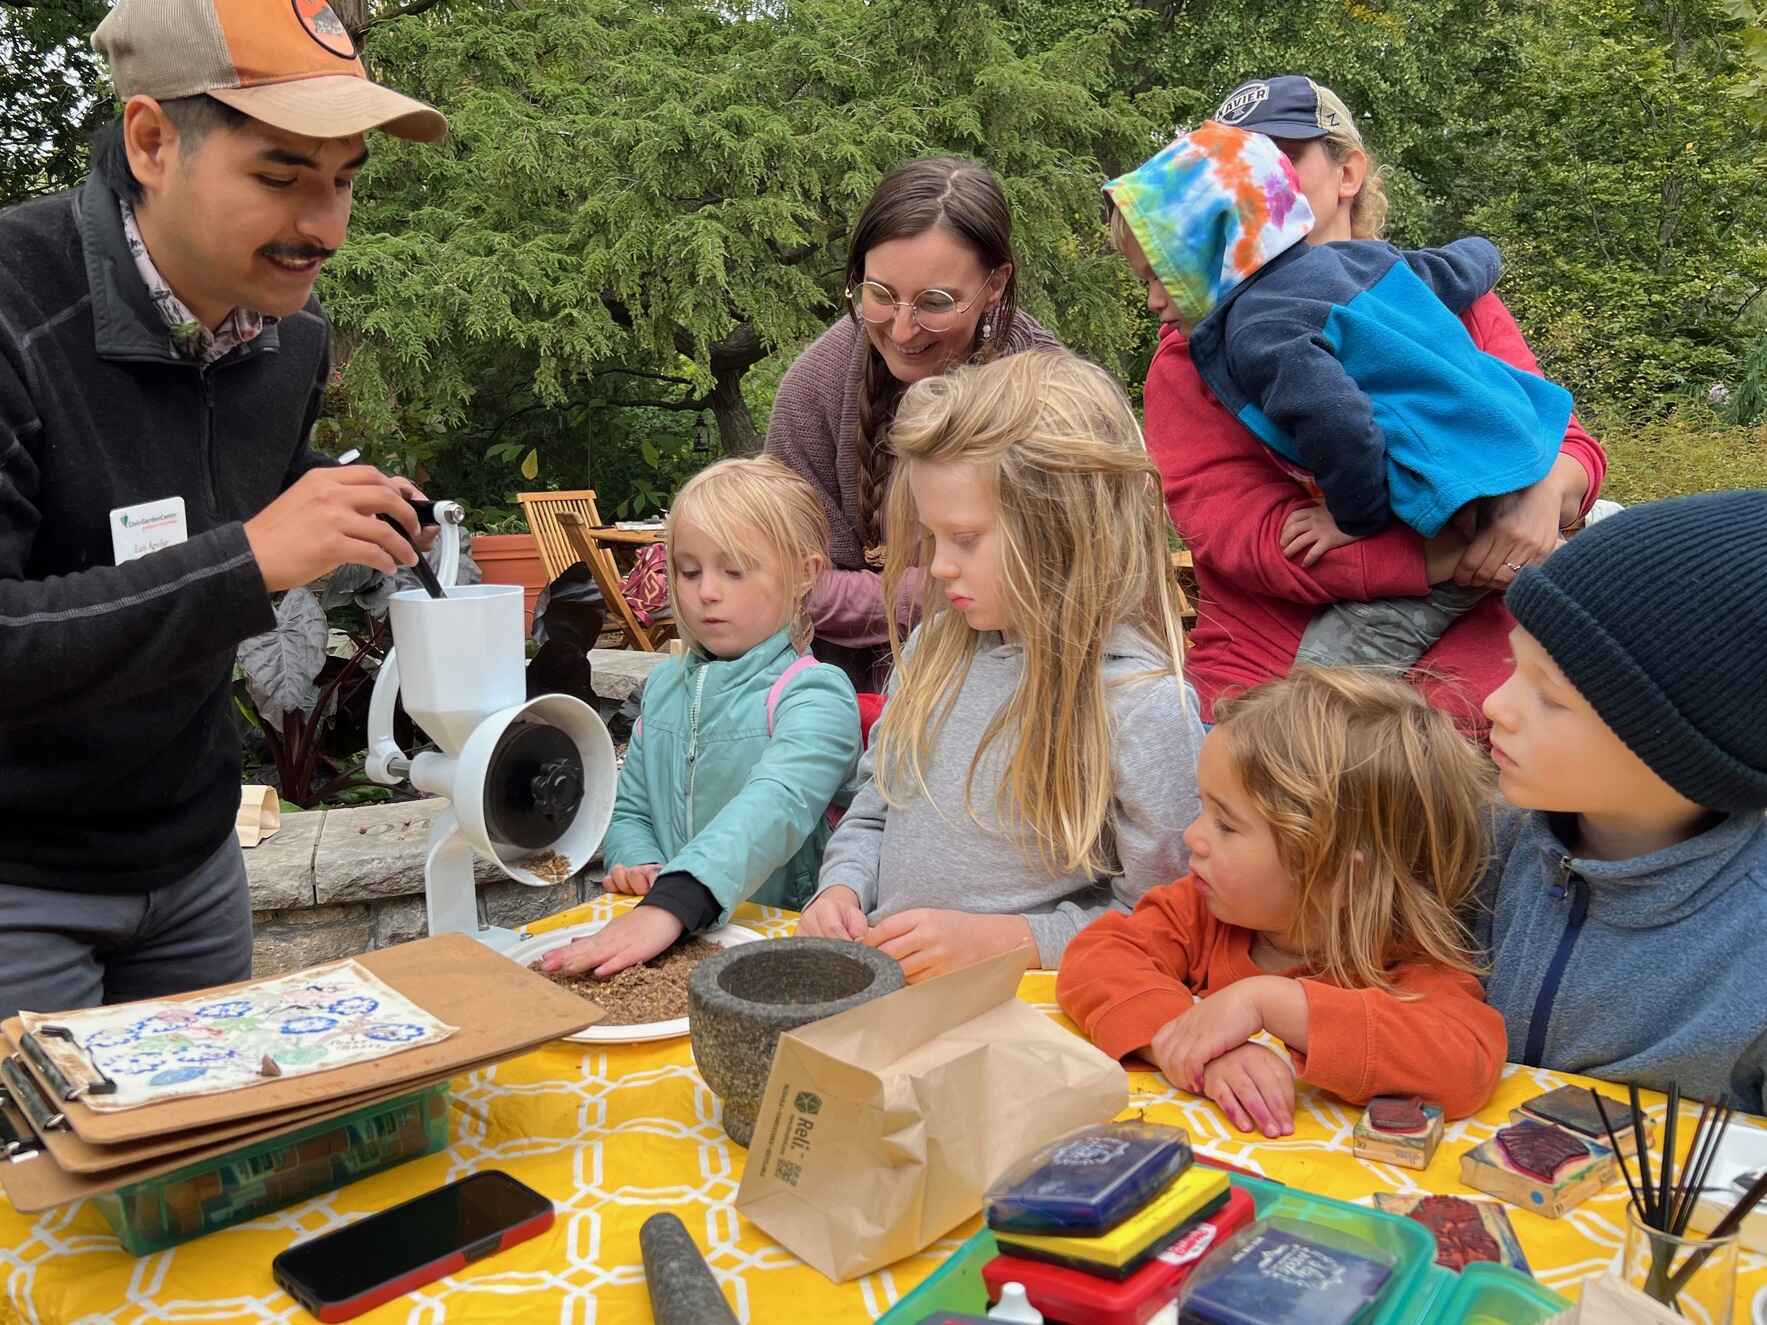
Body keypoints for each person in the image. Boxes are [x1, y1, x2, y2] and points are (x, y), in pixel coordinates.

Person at [0, 0, 448, 1020]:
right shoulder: (15, 314)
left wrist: (340, 494)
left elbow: (238, 489)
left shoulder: (288, 336)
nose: (325, 228)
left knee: (200, 1176)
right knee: (45, 1184)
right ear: (152, 140)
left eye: (343, 181)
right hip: (20, 883)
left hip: (196, 862)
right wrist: (248, 559)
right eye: (282, 177)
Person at [1142, 75, 1605, 733]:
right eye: (1228, 177)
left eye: (1282, 159)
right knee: (1289, 750)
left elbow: (1563, 438)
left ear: (1347, 172)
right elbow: (1246, 538)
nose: (1250, 188)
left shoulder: (1427, 294)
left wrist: (1537, 503)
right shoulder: (1197, 354)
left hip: (1488, 685)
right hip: (1278, 669)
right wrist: (1463, 550)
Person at [796, 352, 1202, 979]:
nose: (937, 568)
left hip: (1034, 1028)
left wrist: (1018, 942)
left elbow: (1172, 923)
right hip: (896, 1005)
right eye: (933, 538)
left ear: (1065, 528)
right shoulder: (933, 651)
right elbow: (876, 804)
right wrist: (842, 888)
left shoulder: (1138, 705)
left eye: (965, 538)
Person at [1057, 668, 1506, 1137]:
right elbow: (1097, 957)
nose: (1193, 836)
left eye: (1226, 825)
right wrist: (1200, 1046)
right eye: (1203, 809)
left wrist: (1273, 1002)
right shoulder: (1199, 910)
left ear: (1338, 871)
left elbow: (1466, 1062)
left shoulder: (1406, 966)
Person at [1479, 490, 1767, 1112]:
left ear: (1686, 753)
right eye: (1512, 664)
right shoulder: (1480, 848)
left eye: (1550, 698)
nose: (1495, 706)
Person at [541, 458, 861, 980]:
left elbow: (775, 804)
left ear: (805, 574)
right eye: (689, 571)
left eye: (734, 570)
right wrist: (636, 861)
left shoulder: (814, 695)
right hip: (676, 936)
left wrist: (676, 900)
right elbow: (633, 804)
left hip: (779, 943)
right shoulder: (665, 688)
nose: (706, 591)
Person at [765, 156, 1059, 692]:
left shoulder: (1052, 394)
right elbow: (778, 578)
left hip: (1027, 689)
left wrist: (876, 592)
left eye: (935, 302)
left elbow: (1061, 577)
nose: (901, 330)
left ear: (995, 283)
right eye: (879, 294)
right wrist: (922, 593)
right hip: (846, 700)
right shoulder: (816, 387)